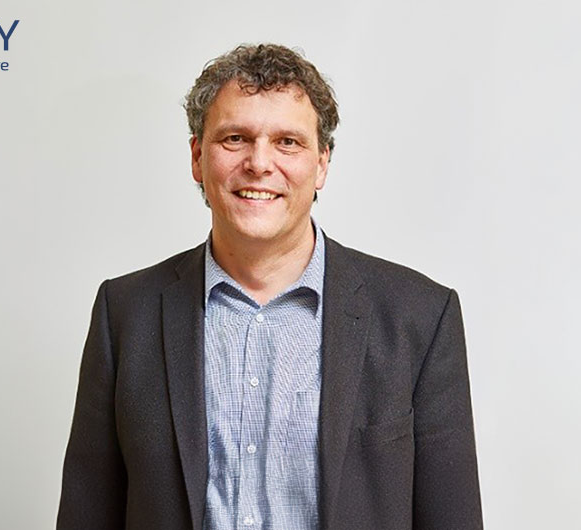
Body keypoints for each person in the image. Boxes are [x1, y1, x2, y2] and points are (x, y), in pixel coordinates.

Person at [57, 43, 483, 530]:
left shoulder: (421, 317)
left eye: (288, 142)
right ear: (197, 157)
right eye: (235, 138)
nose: (259, 163)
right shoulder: (124, 315)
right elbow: (86, 515)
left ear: (321, 163)